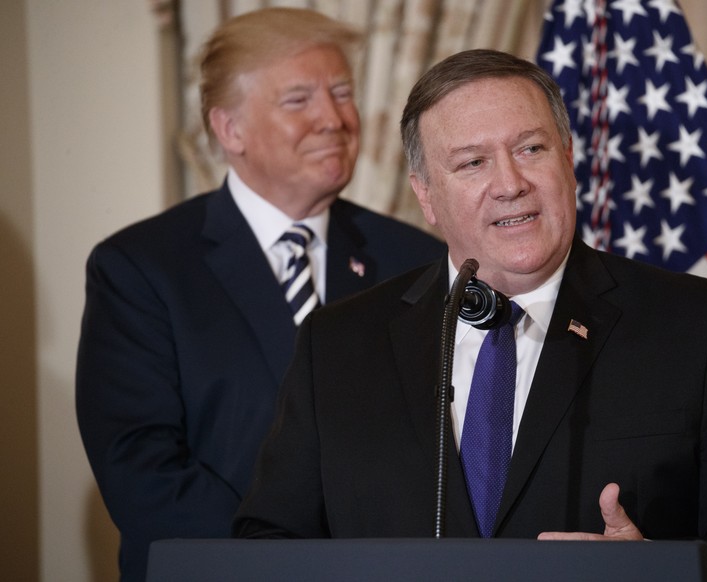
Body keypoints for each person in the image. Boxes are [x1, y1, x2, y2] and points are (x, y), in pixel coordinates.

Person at [232, 49, 707, 580]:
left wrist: (659, 569)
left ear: (568, 161)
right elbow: (266, 546)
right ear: (425, 195)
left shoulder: (697, 325)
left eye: (530, 148)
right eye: (471, 162)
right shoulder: (337, 344)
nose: (510, 182)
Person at [75, 8, 445, 582]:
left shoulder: (418, 260)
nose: (334, 118)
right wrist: (290, 565)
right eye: (298, 100)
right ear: (230, 129)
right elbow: (142, 469)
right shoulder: (141, 268)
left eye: (342, 91)